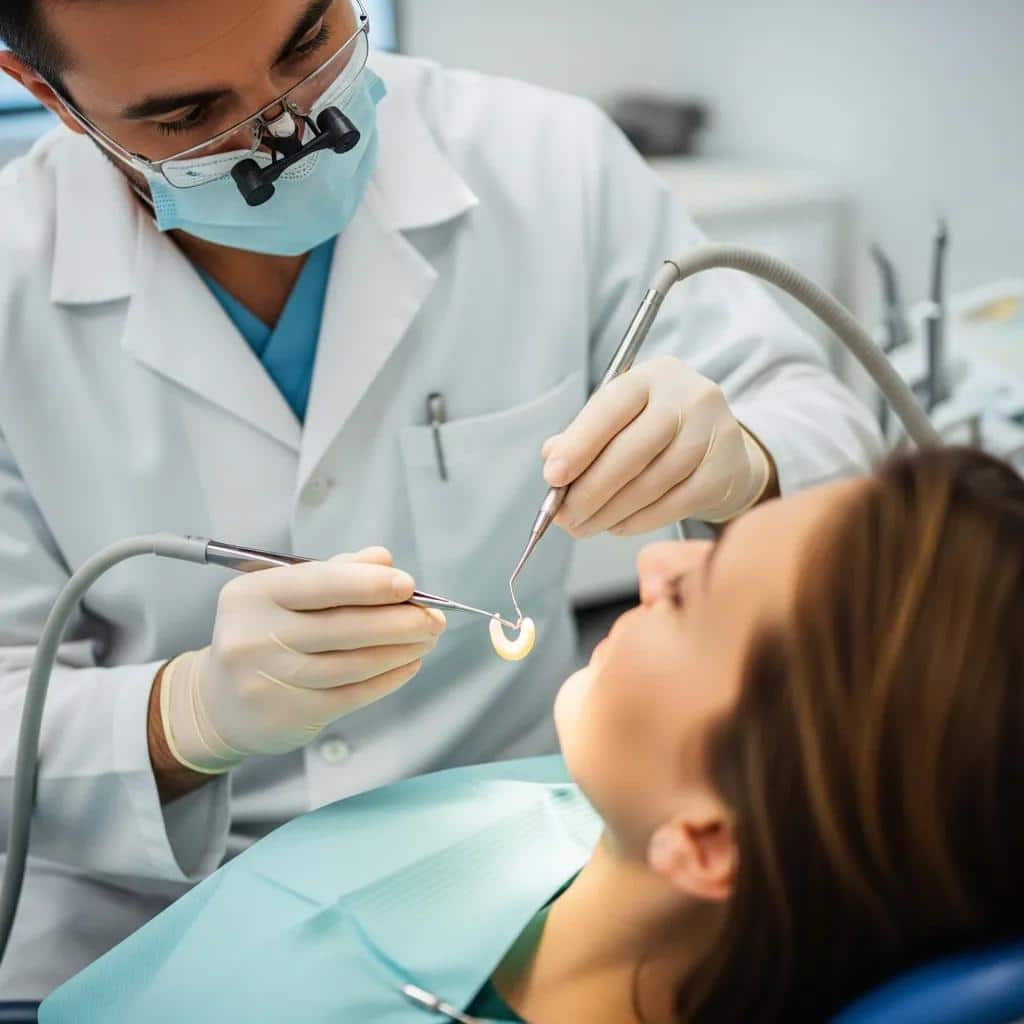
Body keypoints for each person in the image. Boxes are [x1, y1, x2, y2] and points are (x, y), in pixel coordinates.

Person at [0, 0, 882, 997]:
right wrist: (185, 716)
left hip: (509, 858)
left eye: (306, 47)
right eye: (191, 114)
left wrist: (748, 459)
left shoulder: (546, 160)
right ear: (48, 96)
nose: (291, 132)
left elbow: (823, 425)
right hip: (140, 921)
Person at [39, 446, 1024, 1023]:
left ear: (707, 838)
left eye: (696, 594)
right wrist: (186, 716)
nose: (652, 571)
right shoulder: (575, 810)